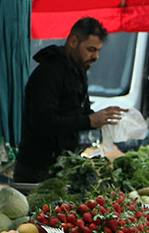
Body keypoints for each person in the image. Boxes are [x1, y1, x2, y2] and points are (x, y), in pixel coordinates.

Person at [15, 17, 126, 182]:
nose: (95, 56)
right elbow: (43, 122)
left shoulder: (78, 72)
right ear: (73, 42)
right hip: (37, 169)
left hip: (63, 165)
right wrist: (89, 121)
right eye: (91, 49)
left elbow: (81, 113)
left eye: (98, 50)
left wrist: (104, 117)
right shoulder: (49, 73)